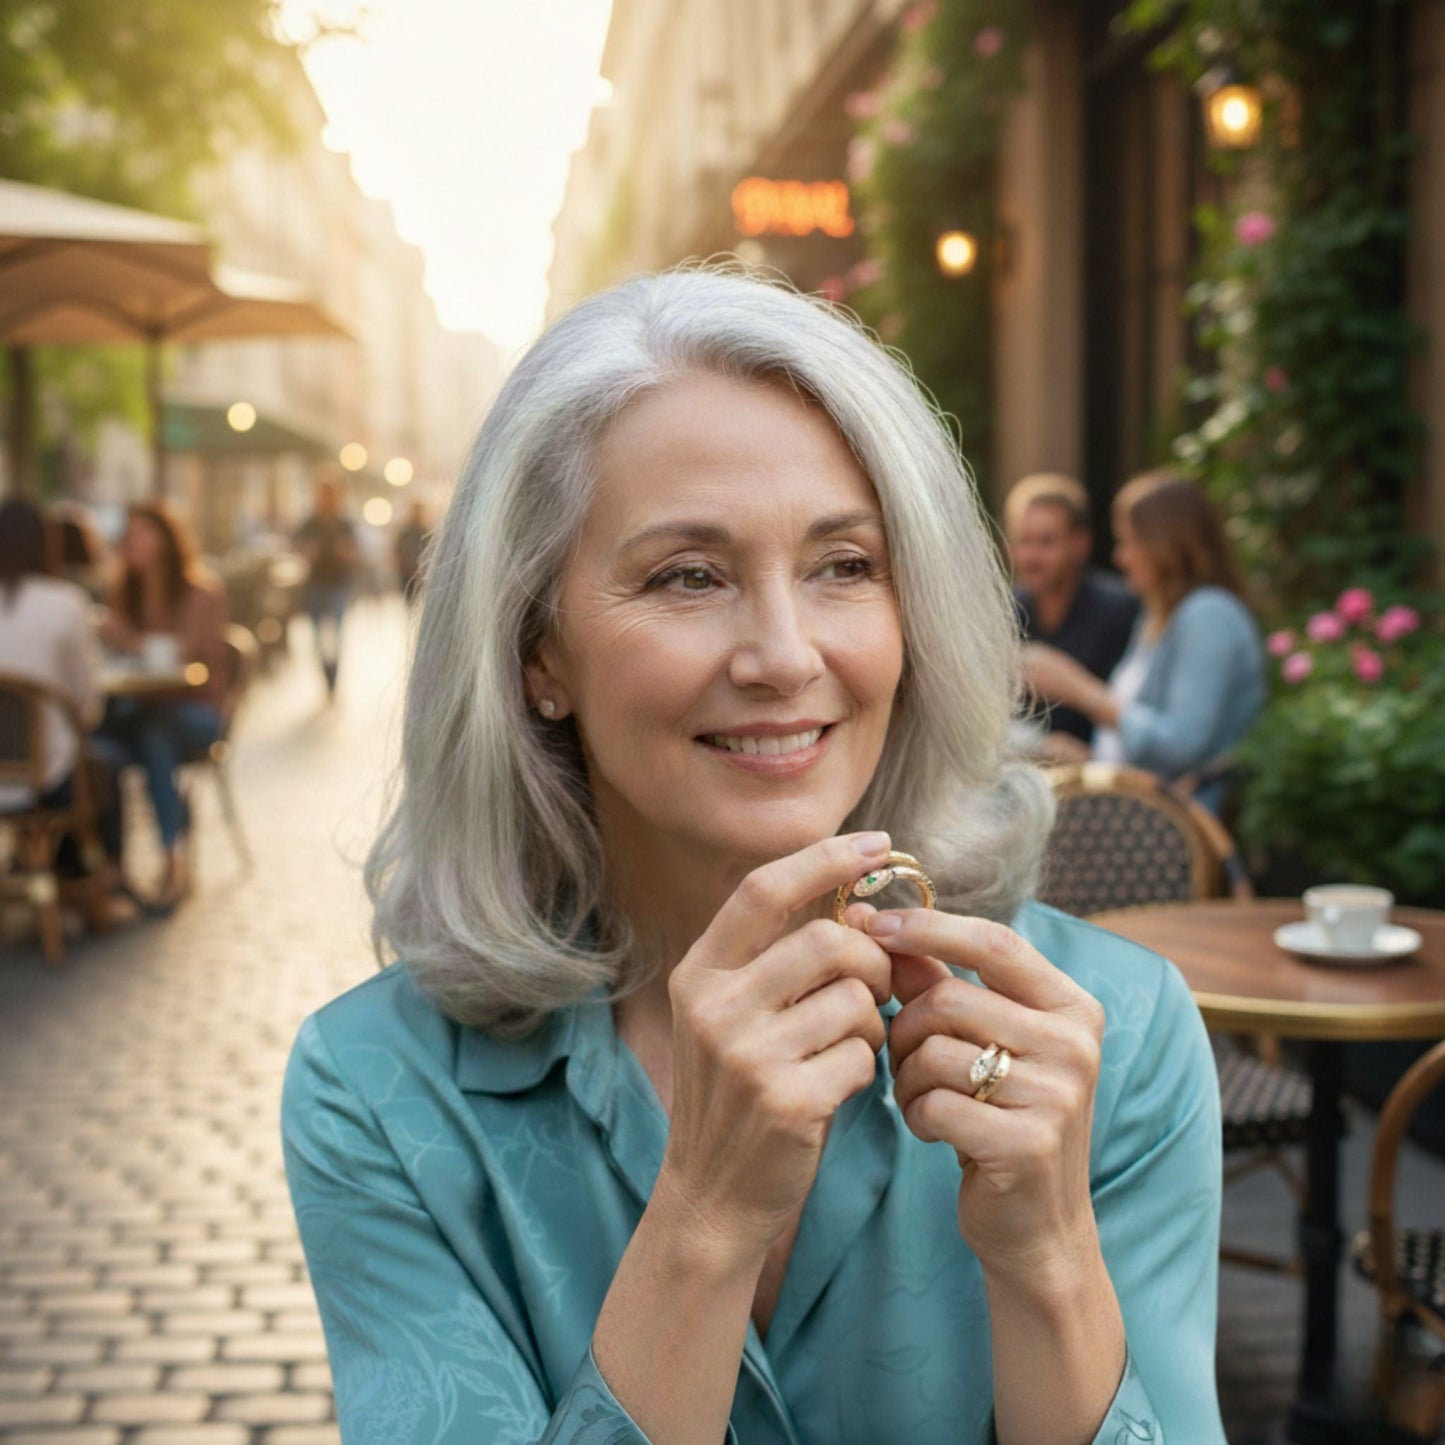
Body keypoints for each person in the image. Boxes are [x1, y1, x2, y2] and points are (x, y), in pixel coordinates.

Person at [282, 270, 1226, 1443]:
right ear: (539, 651)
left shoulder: (1113, 1033)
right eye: (688, 574)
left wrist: (1047, 1255)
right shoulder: (379, 1086)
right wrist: (703, 1220)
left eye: (843, 564)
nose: (784, 654)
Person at [1022, 470, 1264, 813]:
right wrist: (1087, 759)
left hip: (1174, 833)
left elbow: (1181, 747)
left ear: (1166, 546)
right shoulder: (1158, 617)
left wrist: (1080, 690)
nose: (1121, 557)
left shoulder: (1208, 616)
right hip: (1138, 816)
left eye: (1130, 542)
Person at [98, 503, 227, 908]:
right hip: (142, 710)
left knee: (156, 735)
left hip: (199, 713)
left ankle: (172, 861)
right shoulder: (124, 592)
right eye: (128, 533)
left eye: (142, 532)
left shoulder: (199, 592)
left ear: (165, 539)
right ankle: (108, 864)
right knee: (94, 747)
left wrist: (128, 640)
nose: (132, 541)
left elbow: (187, 659)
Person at [0, 499, 125, 895]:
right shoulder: (65, 603)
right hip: (44, 778)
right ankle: (100, 885)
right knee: (105, 765)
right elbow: (88, 706)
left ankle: (40, 874)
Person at [1006, 473, 1138, 753]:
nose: (1031, 556)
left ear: (1080, 544)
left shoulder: (1121, 611)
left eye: (1046, 542)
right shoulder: (1005, 612)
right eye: (1023, 541)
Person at [293, 476, 359, 698]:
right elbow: (298, 546)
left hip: (337, 584)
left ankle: (333, 676)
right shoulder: (310, 522)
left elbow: (354, 551)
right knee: (317, 637)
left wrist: (346, 552)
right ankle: (325, 675)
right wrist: (307, 551)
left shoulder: (344, 523)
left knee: (336, 635)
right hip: (316, 585)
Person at [393, 500, 433, 604]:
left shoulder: (426, 532)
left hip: (421, 574)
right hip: (407, 573)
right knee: (409, 601)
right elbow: (398, 550)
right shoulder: (405, 533)